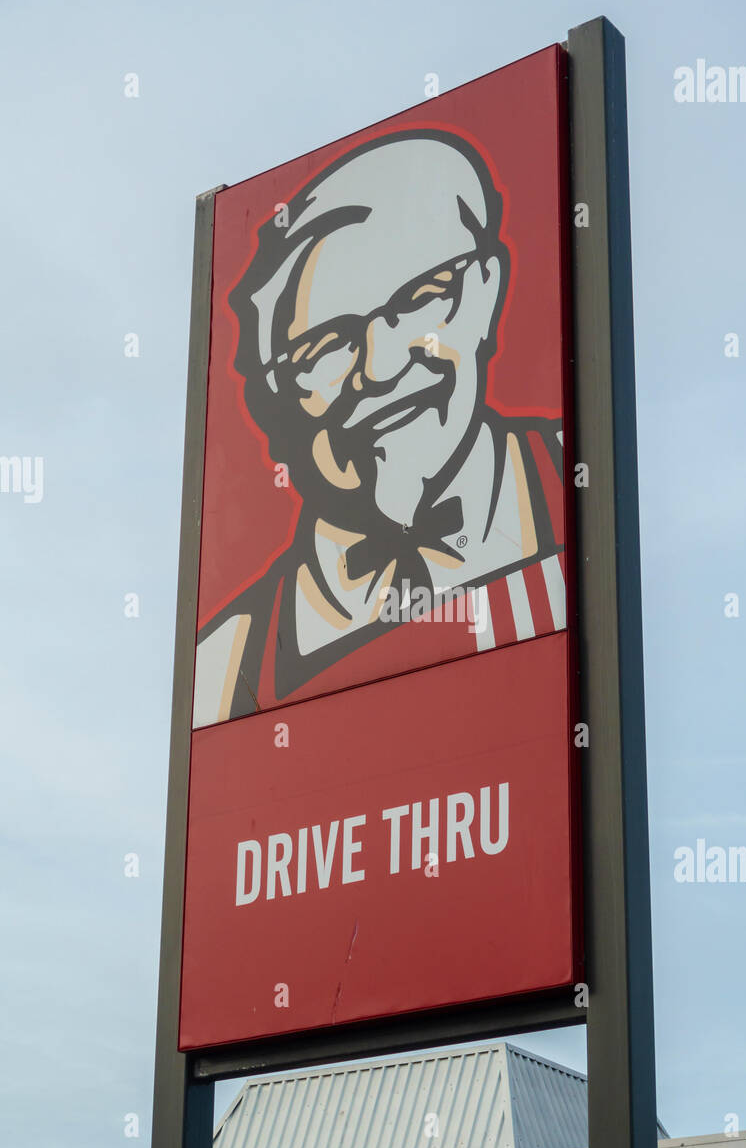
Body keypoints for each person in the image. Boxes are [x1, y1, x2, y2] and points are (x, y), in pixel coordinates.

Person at [193, 129, 566, 728]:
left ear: (487, 290)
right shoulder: (218, 677)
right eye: (325, 345)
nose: (383, 364)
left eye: (422, 296)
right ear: (275, 398)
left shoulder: (586, 498)